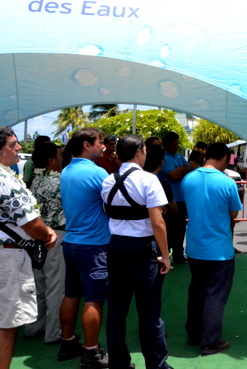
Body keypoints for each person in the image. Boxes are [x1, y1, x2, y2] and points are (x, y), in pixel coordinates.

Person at [101, 134, 171, 369]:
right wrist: (166, 256)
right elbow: (158, 223)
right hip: (143, 249)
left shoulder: (108, 181)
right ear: (140, 151)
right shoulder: (149, 180)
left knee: (117, 311)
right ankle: (156, 364)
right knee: (149, 311)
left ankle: (119, 364)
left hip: (117, 246)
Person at [0, 126, 57, 369]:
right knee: (7, 321)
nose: (19, 148)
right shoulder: (4, 179)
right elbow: (30, 222)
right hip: (8, 256)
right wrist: (47, 234)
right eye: (14, 145)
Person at [58, 127, 111, 367]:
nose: (104, 146)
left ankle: (68, 341)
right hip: (94, 245)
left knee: (71, 294)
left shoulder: (67, 170)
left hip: (72, 242)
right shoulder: (97, 172)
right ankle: (91, 352)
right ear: (86, 145)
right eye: (100, 142)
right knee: (94, 298)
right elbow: (116, 201)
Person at [183, 142, 242, 355]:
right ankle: (210, 340)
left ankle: (193, 333)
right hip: (219, 249)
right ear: (225, 158)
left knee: (196, 291)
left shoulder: (188, 179)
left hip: (195, 247)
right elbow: (234, 214)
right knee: (215, 296)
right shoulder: (227, 183)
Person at [25, 142, 66, 345]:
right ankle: (54, 332)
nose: (61, 159)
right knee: (56, 286)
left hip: (35, 236)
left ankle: (33, 326)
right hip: (57, 235)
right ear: (51, 160)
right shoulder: (60, 181)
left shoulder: (32, 181)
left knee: (38, 285)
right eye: (59, 156)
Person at [159, 132, 192, 265]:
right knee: (169, 228)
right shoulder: (164, 158)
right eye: (173, 144)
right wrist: (183, 169)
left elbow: (191, 168)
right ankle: (166, 255)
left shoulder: (178, 156)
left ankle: (179, 255)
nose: (176, 147)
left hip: (181, 199)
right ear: (165, 144)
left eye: (177, 144)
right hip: (168, 200)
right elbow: (174, 176)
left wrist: (181, 169)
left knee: (180, 228)